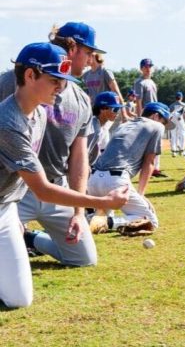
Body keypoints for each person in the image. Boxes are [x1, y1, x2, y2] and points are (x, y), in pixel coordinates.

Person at [0, 42, 129, 308]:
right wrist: (103, 202)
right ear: (30, 75)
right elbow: (42, 189)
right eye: (54, 80)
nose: (61, 87)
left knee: (19, 299)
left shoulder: (39, 113)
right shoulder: (7, 122)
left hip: (7, 205)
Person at [0, 23, 105, 266]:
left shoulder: (81, 99)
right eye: (88, 53)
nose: (91, 61)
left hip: (57, 188)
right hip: (15, 191)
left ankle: (31, 239)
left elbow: (79, 159)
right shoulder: (12, 81)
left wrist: (79, 212)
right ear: (73, 49)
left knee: (84, 259)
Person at [88, 102, 173, 232]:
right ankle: (107, 222)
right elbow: (149, 162)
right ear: (156, 116)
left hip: (93, 179)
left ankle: (90, 219)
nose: (164, 125)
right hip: (115, 181)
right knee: (150, 221)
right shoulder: (156, 126)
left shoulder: (124, 125)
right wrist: (141, 194)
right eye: (164, 121)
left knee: (101, 215)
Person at [88, 91, 122, 166]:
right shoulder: (92, 127)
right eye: (115, 109)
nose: (117, 112)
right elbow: (81, 154)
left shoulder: (104, 125)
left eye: (118, 109)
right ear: (102, 109)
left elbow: (103, 150)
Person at [168, 91, 185, 157]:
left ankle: (174, 151)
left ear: (175, 98)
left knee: (173, 135)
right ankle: (182, 151)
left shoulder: (171, 105)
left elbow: (169, 115)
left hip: (173, 120)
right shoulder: (184, 105)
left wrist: (168, 123)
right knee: (182, 135)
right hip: (180, 120)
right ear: (181, 97)